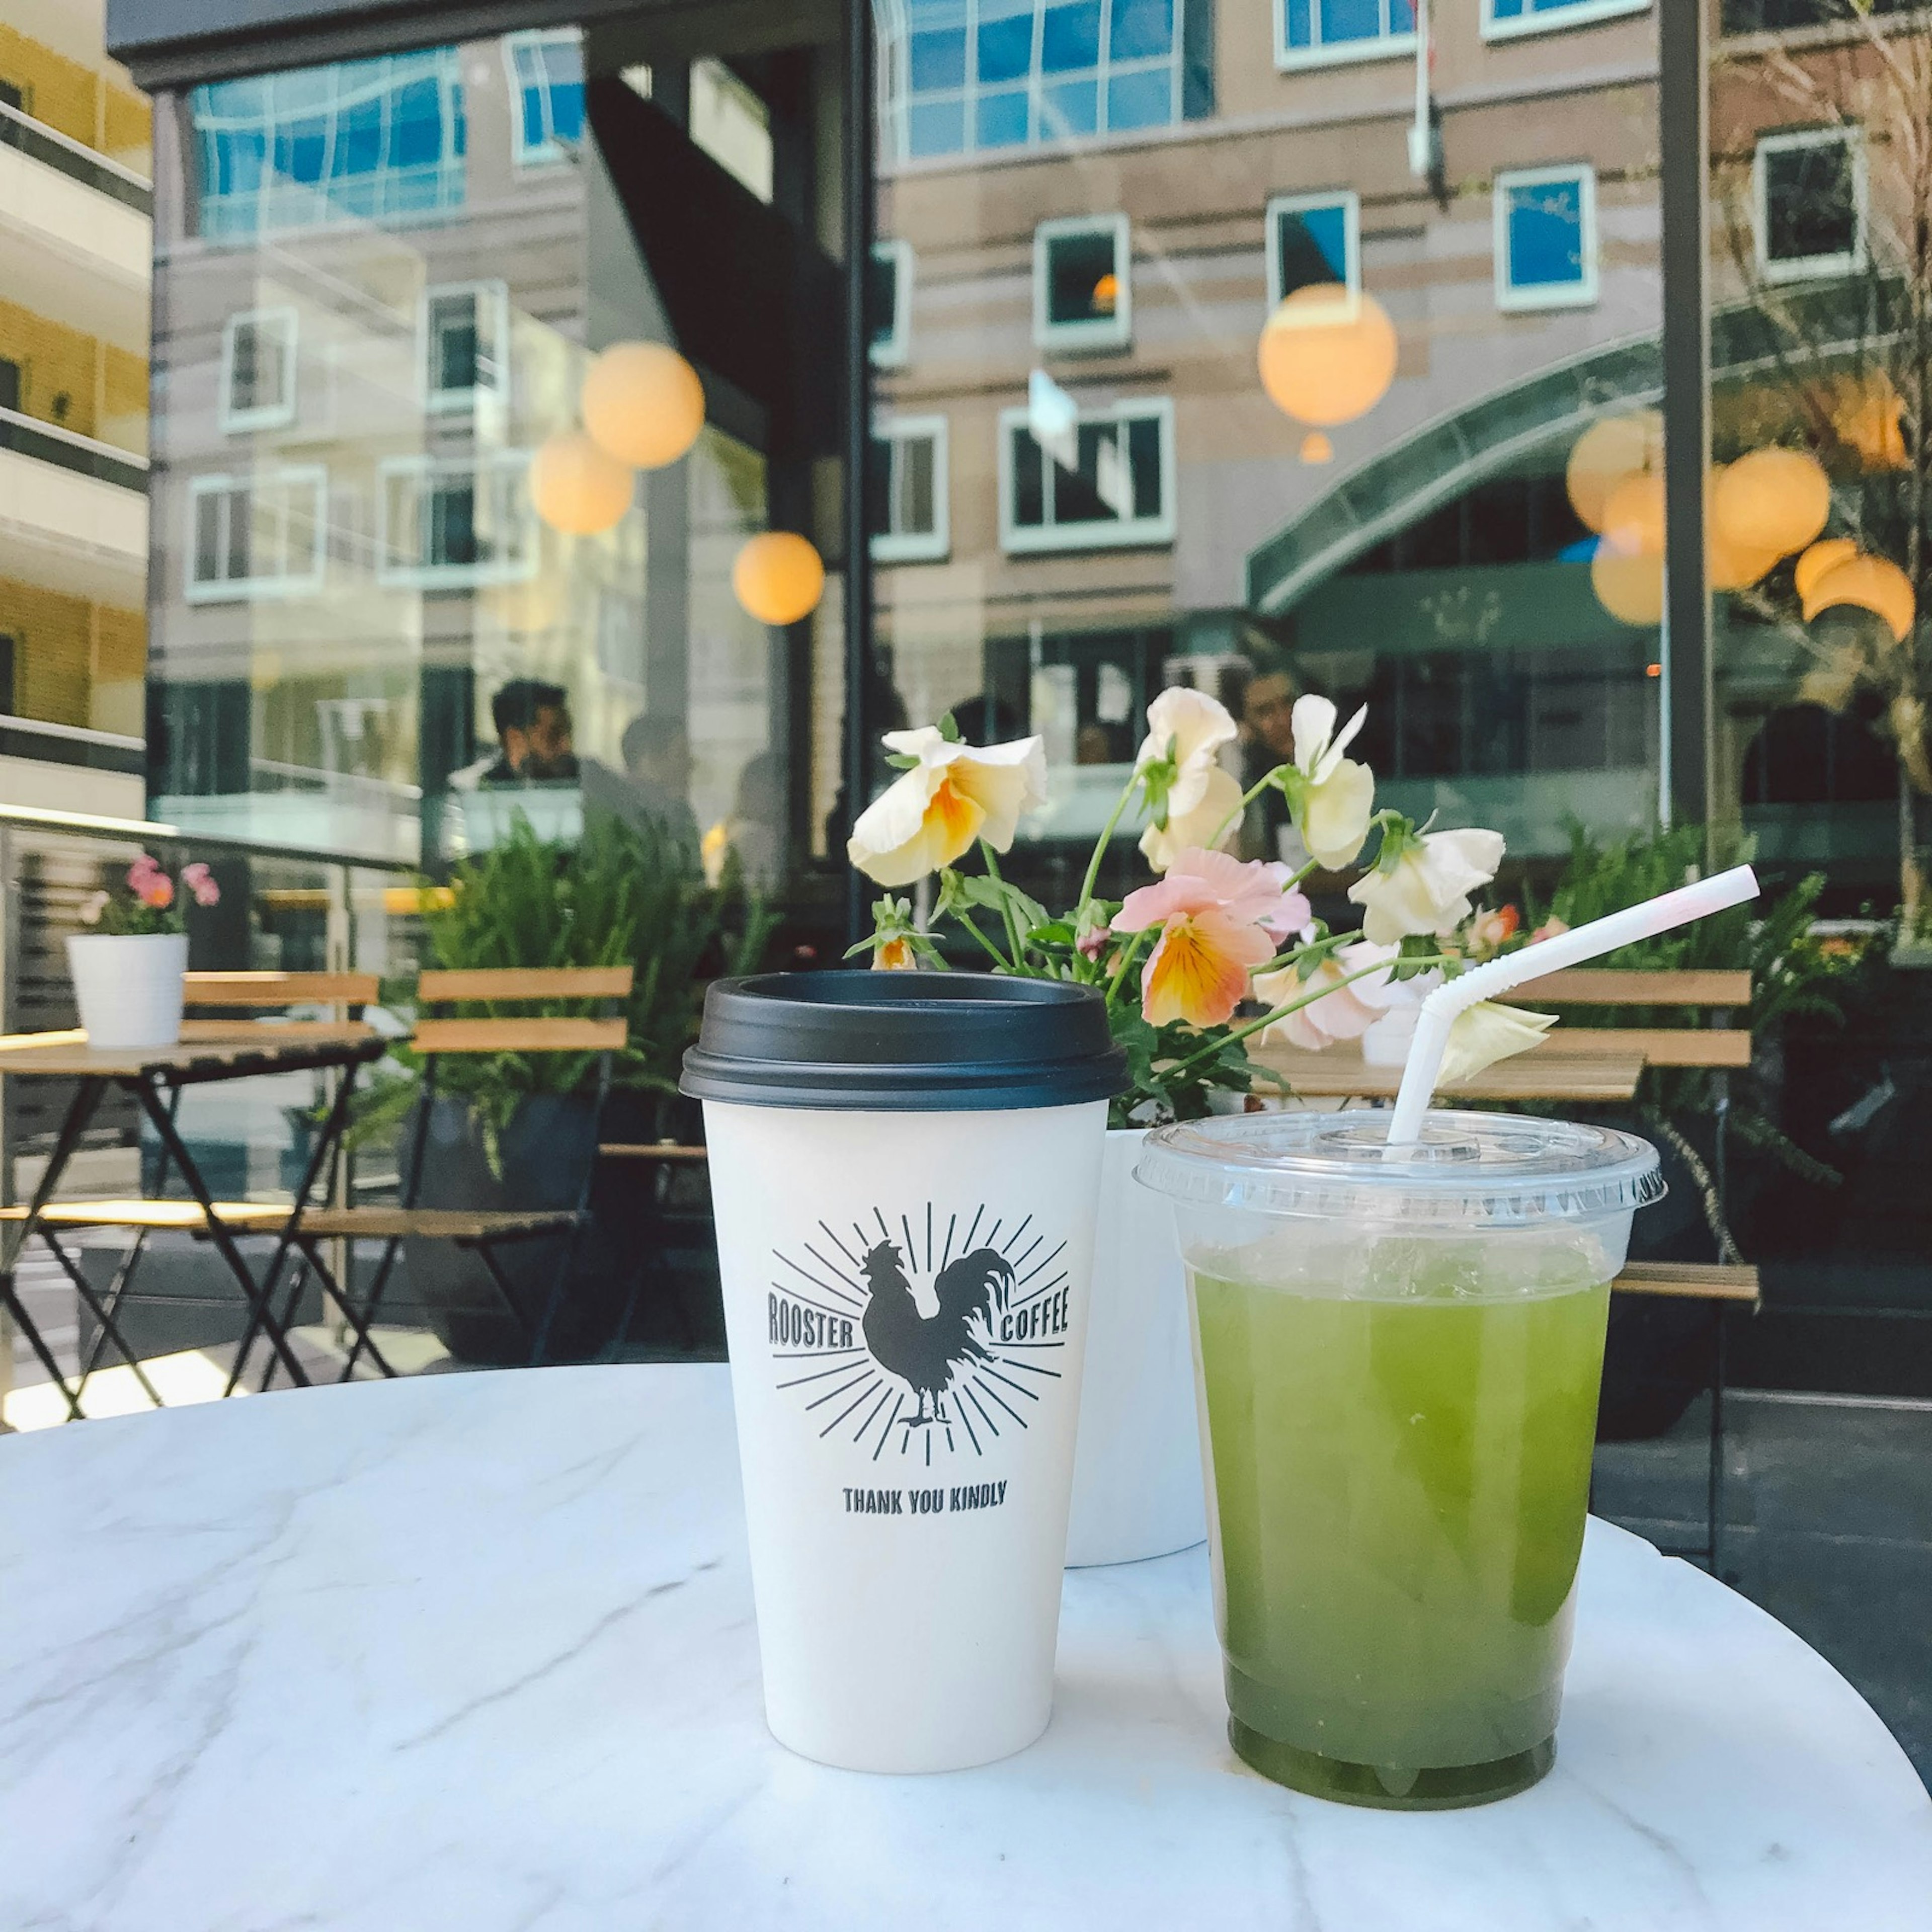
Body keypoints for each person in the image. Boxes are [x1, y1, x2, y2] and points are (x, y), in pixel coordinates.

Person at [620, 713, 701, 852]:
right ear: (649, 760)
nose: (690, 764)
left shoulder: (680, 814)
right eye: (680, 754)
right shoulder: (617, 818)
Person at [478, 679, 578, 785]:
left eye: (569, 733)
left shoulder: (582, 786)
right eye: (553, 736)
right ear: (515, 739)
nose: (567, 746)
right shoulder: (484, 792)